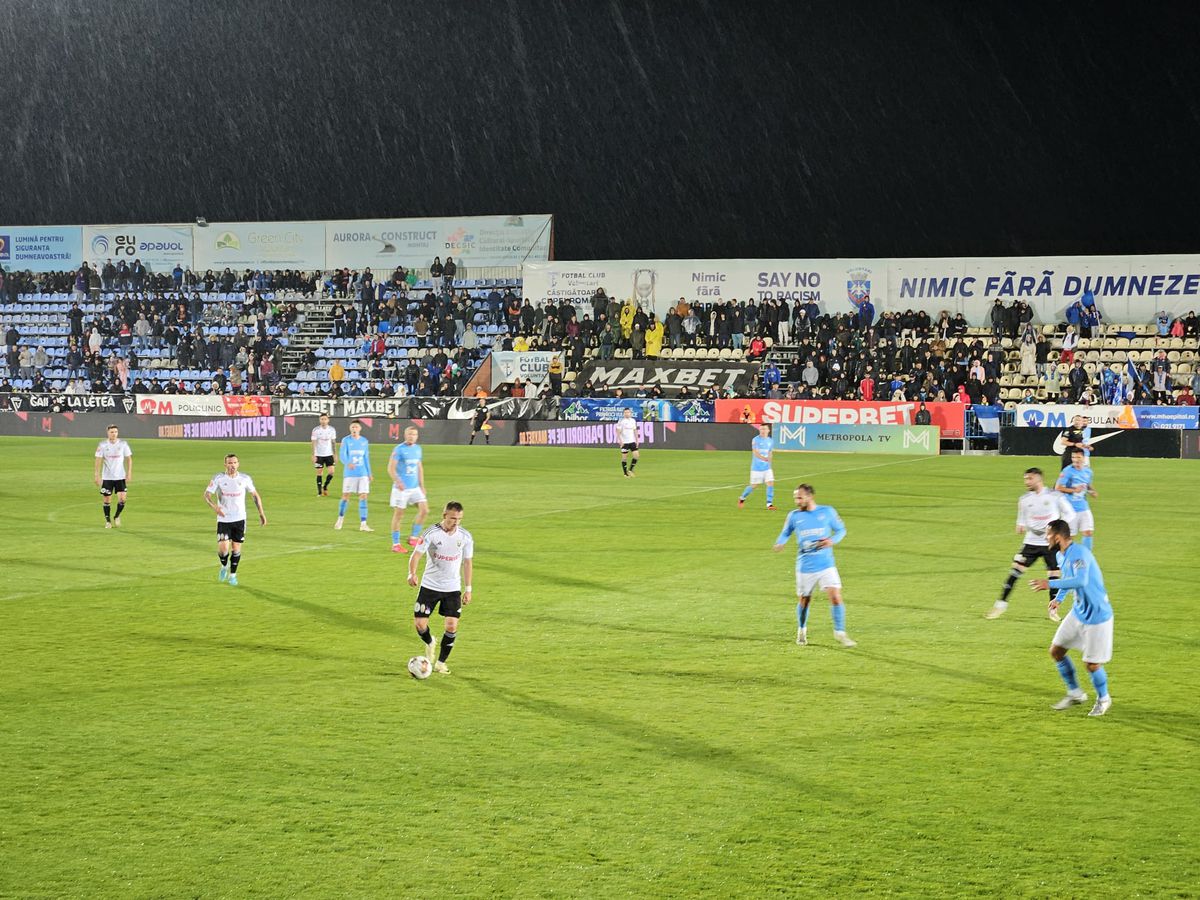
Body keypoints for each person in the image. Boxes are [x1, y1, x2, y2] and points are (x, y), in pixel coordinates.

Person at [1030, 519, 1114, 717]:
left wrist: (1049, 584)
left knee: (1092, 665)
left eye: (1048, 534)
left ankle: (1104, 699)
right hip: (1078, 612)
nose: (1046, 537)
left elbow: (1081, 580)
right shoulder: (1061, 555)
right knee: (1056, 651)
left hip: (1097, 615)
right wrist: (1058, 599)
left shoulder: (1079, 554)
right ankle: (1075, 693)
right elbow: (1069, 579)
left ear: (1058, 536)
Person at [985, 467, 1075, 621]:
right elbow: (1021, 519)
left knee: (1054, 577)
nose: (1026, 482)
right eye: (1025, 478)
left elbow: (1070, 513)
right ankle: (1000, 606)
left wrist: (1059, 530)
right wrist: (1020, 525)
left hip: (1051, 544)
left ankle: (1052, 610)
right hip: (1030, 543)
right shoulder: (1024, 499)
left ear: (1038, 479)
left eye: (1029, 479)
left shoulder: (1055, 496)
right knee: (1014, 573)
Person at [773, 483, 856, 647]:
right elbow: (785, 532)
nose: (797, 501)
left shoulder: (827, 512)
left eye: (800, 497)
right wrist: (780, 543)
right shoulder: (794, 516)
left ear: (810, 496)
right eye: (795, 498)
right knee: (805, 601)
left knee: (836, 597)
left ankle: (840, 633)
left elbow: (841, 530)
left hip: (826, 564)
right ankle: (802, 629)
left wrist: (832, 540)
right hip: (805, 566)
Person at [408, 501, 474, 675]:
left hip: (452, 588)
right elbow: (416, 554)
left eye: (459, 519)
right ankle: (430, 641)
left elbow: (467, 563)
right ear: (444, 515)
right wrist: (412, 573)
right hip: (430, 586)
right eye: (453, 518)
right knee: (420, 625)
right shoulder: (431, 533)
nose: (456, 522)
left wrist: (468, 589)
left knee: (452, 626)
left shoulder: (465, 536)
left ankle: (440, 663)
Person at [203, 453, 267, 587]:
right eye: (230, 463)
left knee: (236, 548)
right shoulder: (219, 478)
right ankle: (224, 566)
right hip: (224, 519)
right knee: (223, 549)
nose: (232, 465)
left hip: (239, 519)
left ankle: (233, 575)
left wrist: (261, 513)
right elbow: (207, 495)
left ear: (238, 464)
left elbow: (255, 495)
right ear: (225, 464)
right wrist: (215, 507)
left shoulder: (245, 478)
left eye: (234, 463)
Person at [387, 426, 429, 553]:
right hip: (402, 489)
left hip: (415, 487)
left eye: (414, 434)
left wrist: (422, 485)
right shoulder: (399, 449)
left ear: (417, 436)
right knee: (399, 515)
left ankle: (413, 538)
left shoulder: (418, 449)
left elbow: (419, 468)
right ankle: (396, 544)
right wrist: (398, 481)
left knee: (424, 511)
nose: (412, 436)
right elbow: (391, 468)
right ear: (405, 435)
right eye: (410, 434)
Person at [335, 419, 373, 531]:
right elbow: (342, 455)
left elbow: (366, 458)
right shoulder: (346, 440)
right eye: (352, 427)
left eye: (356, 427)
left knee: (363, 496)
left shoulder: (364, 441)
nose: (354, 429)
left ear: (360, 428)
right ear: (350, 429)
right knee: (346, 496)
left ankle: (363, 524)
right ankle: (340, 518)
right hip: (350, 474)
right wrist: (348, 463)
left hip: (363, 474)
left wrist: (369, 473)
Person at [1055, 450, 1096, 550]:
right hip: (1070, 510)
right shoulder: (1067, 471)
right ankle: (1064, 558)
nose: (1075, 460)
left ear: (1083, 458)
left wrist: (1092, 491)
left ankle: (1086, 557)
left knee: (1088, 532)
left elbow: (1087, 485)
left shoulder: (1088, 472)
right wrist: (1073, 490)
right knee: (1069, 537)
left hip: (1083, 507)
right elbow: (1058, 488)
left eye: (1078, 457)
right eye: (1073, 457)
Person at [93, 424, 133, 528]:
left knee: (123, 499)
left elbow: (129, 459)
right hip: (107, 477)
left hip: (120, 477)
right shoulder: (102, 445)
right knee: (107, 500)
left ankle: (117, 516)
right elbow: (98, 460)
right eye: (112, 432)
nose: (114, 434)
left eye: (115, 432)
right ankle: (108, 521)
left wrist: (129, 473)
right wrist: (97, 475)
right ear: (108, 433)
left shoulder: (123, 444)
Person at [738, 424, 776, 509]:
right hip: (756, 468)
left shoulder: (770, 441)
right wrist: (764, 458)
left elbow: (770, 452)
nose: (762, 431)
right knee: (754, 485)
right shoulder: (755, 440)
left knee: (770, 483)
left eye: (764, 429)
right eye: (761, 429)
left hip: (767, 468)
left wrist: (770, 461)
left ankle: (769, 504)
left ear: (768, 430)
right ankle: (742, 498)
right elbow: (755, 452)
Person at [310, 413, 337, 497]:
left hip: (329, 454)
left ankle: (325, 486)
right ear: (319, 420)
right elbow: (313, 442)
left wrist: (335, 454)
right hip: (319, 455)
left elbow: (333, 442)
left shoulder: (332, 430)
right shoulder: (316, 430)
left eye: (325, 419)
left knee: (332, 472)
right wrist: (313, 454)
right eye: (322, 419)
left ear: (328, 420)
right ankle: (319, 492)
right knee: (319, 472)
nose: (323, 421)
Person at [615, 407, 639, 477]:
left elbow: (635, 430)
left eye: (628, 412)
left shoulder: (633, 420)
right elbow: (618, 432)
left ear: (630, 413)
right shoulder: (621, 421)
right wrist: (620, 441)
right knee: (624, 458)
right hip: (625, 442)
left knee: (636, 456)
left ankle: (630, 469)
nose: (627, 414)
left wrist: (637, 440)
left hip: (632, 441)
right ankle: (625, 473)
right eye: (625, 413)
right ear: (623, 414)